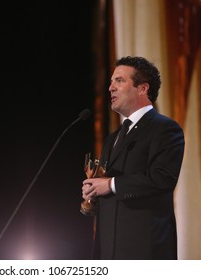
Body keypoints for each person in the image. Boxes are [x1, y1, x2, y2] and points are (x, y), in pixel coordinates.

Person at [82, 56, 185, 259]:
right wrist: (94, 192)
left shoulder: (164, 129)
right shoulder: (113, 138)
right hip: (109, 253)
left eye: (119, 81)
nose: (111, 87)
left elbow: (162, 178)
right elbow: (110, 188)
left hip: (144, 252)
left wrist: (110, 185)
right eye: (111, 81)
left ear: (143, 89)